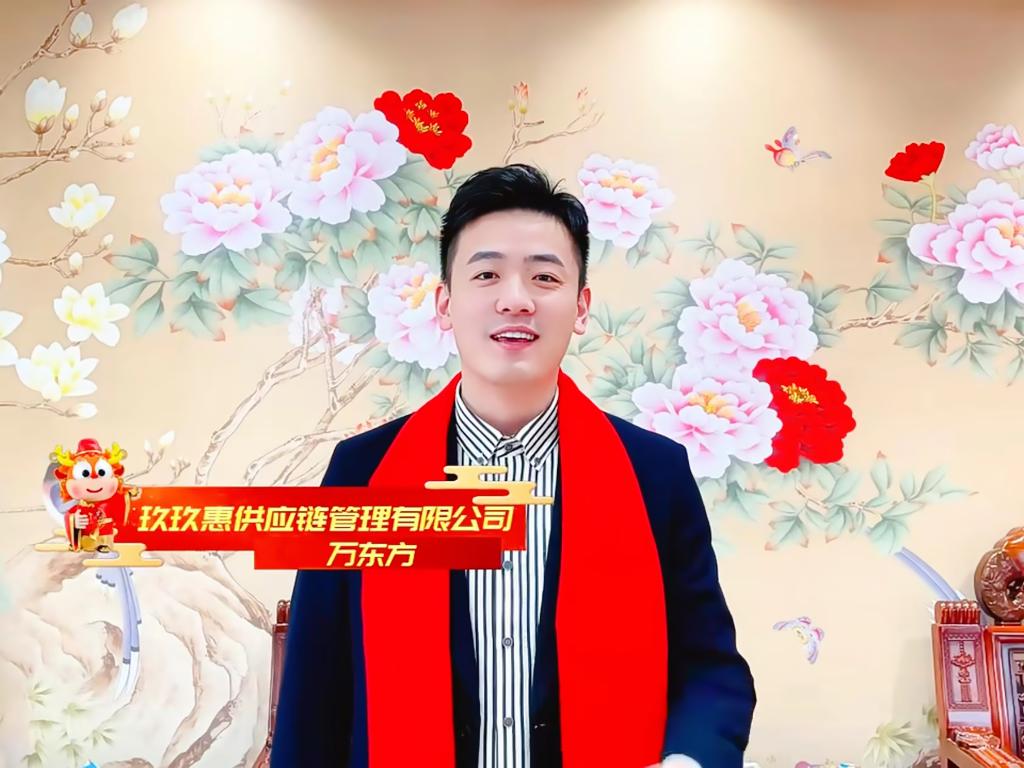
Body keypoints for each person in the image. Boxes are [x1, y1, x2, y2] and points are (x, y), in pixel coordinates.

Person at [271, 164, 756, 768]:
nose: (516, 299)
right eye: (487, 274)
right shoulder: (363, 472)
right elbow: (314, 689)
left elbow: (709, 668)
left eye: (544, 277)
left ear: (581, 307)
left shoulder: (653, 474)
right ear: (445, 303)